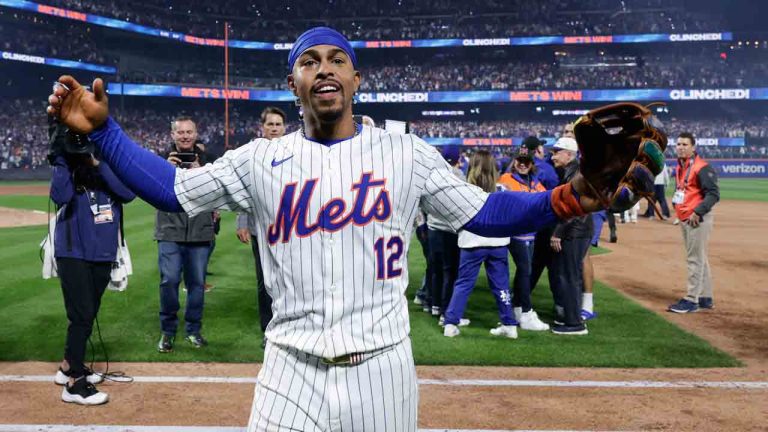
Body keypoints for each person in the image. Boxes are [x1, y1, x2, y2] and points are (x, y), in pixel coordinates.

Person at [47, 26, 608, 430]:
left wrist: (570, 197)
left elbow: (485, 213)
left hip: (383, 369)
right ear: (293, 83)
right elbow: (172, 190)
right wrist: (105, 133)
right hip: (289, 367)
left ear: (355, 78)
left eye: (337, 59)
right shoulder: (258, 159)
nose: (324, 69)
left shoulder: (406, 153)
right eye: (309, 61)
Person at [49, 122, 135, 405]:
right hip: (73, 252)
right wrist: (62, 157)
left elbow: (128, 193)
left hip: (103, 253)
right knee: (81, 314)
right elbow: (59, 196)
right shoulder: (67, 169)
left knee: (88, 313)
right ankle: (74, 383)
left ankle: (68, 365)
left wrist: (98, 162)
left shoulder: (106, 166)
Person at [155, 116, 216, 352]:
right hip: (169, 230)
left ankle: (193, 330)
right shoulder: (161, 160)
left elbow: (217, 191)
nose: (185, 136)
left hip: (200, 231)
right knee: (169, 280)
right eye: (180, 132)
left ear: (196, 134)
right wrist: (165, 171)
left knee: (197, 284)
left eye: (189, 132)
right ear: (172, 135)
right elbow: (151, 190)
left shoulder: (209, 160)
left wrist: (202, 173)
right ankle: (168, 331)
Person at [443, 151, 518, 339]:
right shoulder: (504, 189)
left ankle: (450, 324)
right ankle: (509, 325)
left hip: (472, 242)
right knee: (501, 286)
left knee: (463, 284)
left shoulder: (464, 189)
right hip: (498, 243)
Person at [236, 106, 286, 347]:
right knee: (264, 281)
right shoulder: (252, 154)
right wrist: (242, 222)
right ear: (262, 127)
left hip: (289, 229)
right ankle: (268, 331)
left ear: (284, 128)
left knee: (290, 280)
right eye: (270, 124)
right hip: (261, 230)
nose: (274, 128)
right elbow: (244, 190)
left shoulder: (296, 152)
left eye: (278, 124)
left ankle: (288, 328)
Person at [498, 148, 550, 331]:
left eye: (526, 161)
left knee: (524, 271)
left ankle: (518, 307)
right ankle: (526, 312)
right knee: (525, 270)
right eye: (519, 160)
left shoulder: (536, 183)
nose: (522, 164)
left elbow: (545, 202)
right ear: (514, 161)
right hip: (515, 233)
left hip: (530, 234)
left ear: (532, 164)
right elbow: (502, 203)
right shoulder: (506, 179)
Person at [668, 132, 720, 313]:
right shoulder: (680, 166)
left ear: (693, 147)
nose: (681, 147)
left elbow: (713, 194)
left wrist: (698, 211)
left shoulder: (701, 167)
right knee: (700, 257)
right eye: (678, 144)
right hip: (685, 217)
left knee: (694, 259)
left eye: (685, 144)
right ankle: (705, 297)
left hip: (697, 218)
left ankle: (691, 300)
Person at [549, 137, 594, 335]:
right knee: (570, 274)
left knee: (569, 275)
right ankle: (571, 317)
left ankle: (574, 323)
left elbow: (575, 208)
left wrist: (558, 233)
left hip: (575, 231)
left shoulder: (575, 174)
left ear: (568, 154)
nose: (553, 156)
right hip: (578, 230)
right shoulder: (573, 171)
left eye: (556, 152)